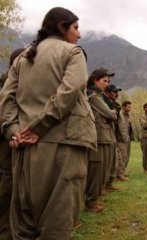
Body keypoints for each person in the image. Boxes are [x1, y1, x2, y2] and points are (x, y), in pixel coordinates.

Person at [0, 7, 97, 239]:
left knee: (24, 224)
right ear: (62, 28)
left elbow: (6, 98)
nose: (79, 33)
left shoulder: (22, 59)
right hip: (63, 146)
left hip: (24, 149)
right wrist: (39, 126)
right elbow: (70, 90)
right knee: (57, 222)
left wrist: (14, 132)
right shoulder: (72, 53)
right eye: (75, 27)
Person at [0, 47, 25, 240]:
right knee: (7, 195)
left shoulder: (23, 86)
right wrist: (13, 133)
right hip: (6, 154)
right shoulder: (5, 88)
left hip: (21, 150)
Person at [85, 68, 117, 211]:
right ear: (95, 80)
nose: (106, 84)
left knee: (102, 170)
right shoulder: (93, 96)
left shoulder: (99, 96)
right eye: (104, 81)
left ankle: (94, 200)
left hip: (104, 137)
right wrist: (112, 112)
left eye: (107, 81)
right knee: (96, 171)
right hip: (98, 138)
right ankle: (91, 202)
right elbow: (111, 115)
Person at [103, 84, 128, 183]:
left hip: (114, 133)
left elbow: (116, 119)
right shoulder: (104, 102)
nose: (116, 94)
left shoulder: (115, 105)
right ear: (108, 92)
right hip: (106, 132)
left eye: (117, 92)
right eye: (114, 92)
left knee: (117, 157)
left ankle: (114, 178)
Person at [118, 101, 134, 177]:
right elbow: (120, 128)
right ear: (123, 107)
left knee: (127, 156)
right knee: (122, 156)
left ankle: (122, 172)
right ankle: (119, 174)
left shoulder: (128, 115)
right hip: (121, 139)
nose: (130, 108)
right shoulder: (120, 115)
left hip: (128, 138)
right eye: (128, 107)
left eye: (130, 107)